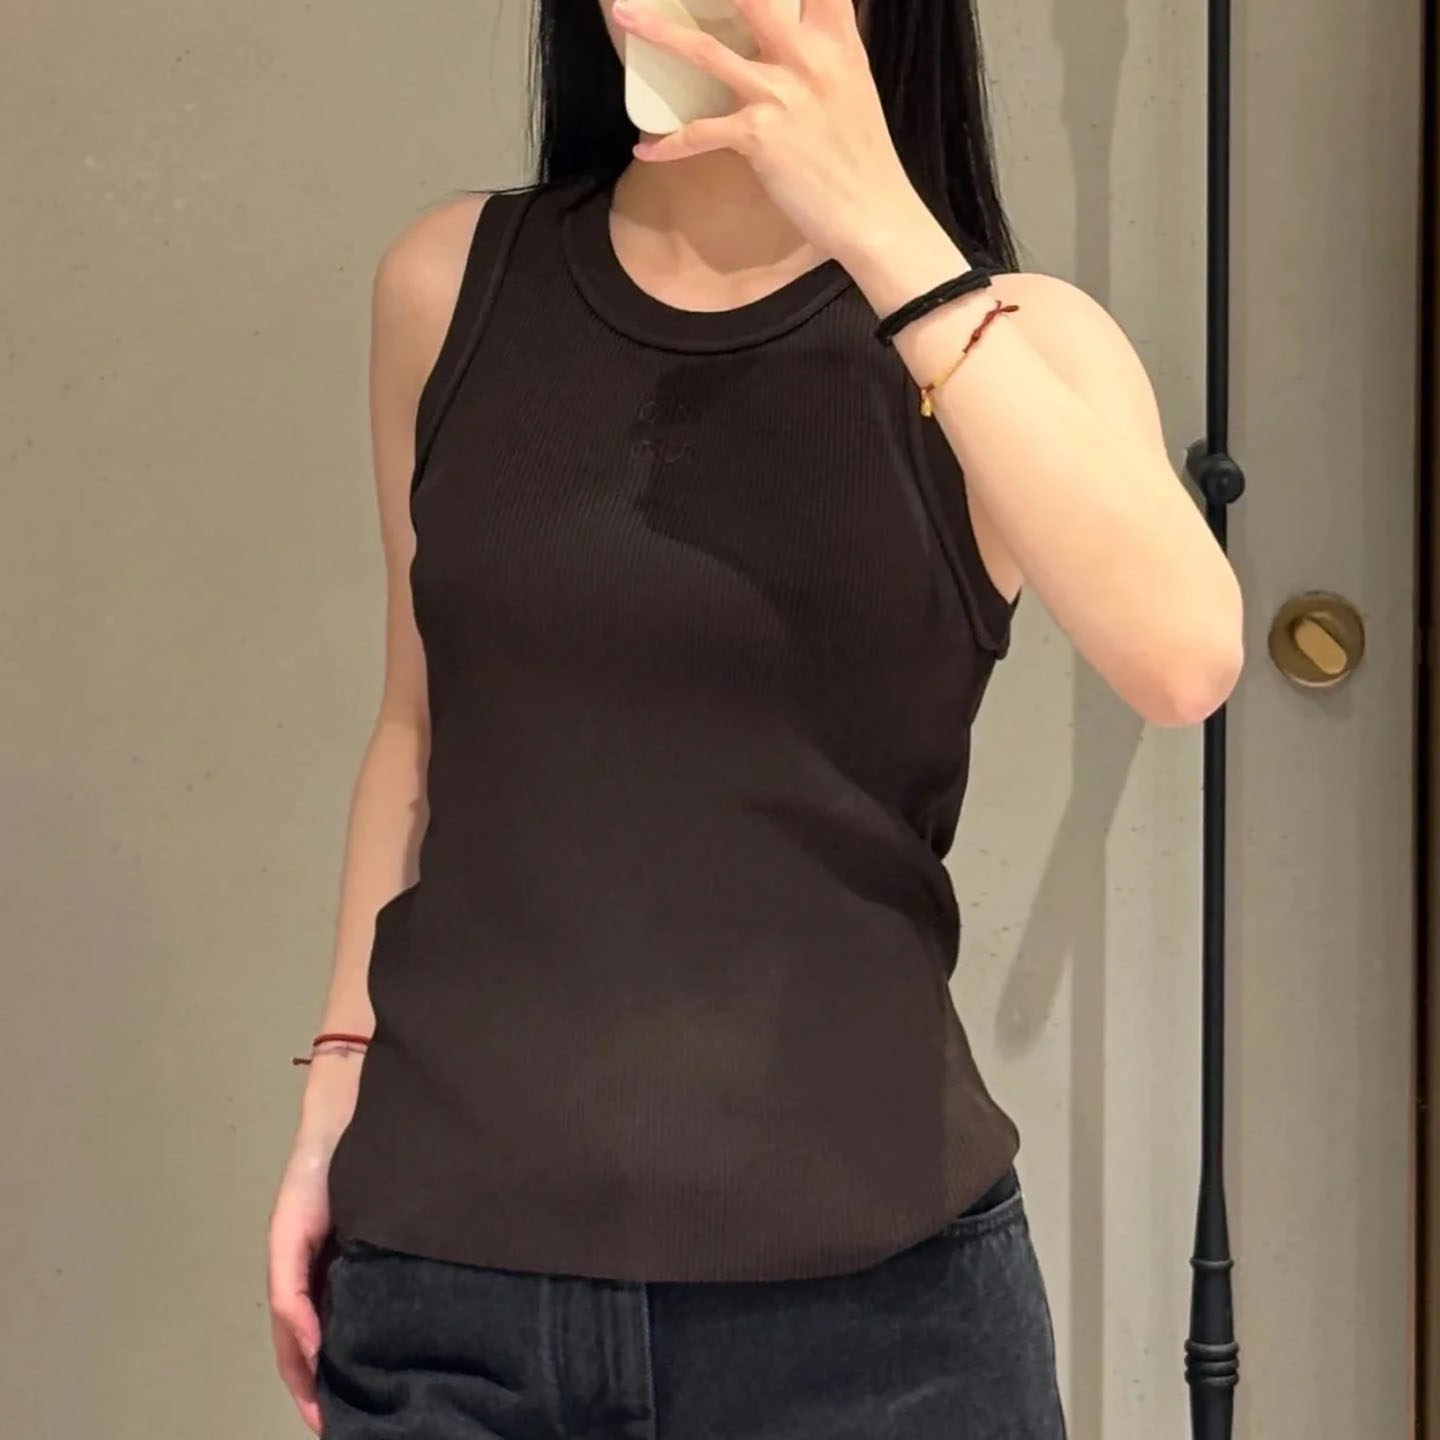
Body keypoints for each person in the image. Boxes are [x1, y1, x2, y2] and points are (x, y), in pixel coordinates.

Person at [266, 1, 1244, 1435]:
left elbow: (1184, 660)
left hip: (881, 1324)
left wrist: (882, 226)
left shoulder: (1017, 340)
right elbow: (417, 729)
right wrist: (332, 1093)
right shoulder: (451, 281)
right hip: (451, 1293)